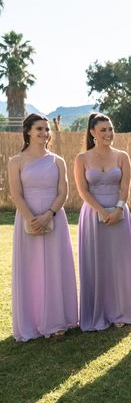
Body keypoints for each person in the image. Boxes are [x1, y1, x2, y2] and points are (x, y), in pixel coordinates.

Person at [8, 113, 78, 341]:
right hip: (27, 219)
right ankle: (33, 321)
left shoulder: (58, 160)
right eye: (39, 129)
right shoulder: (15, 161)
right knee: (32, 269)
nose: (45, 133)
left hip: (54, 217)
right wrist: (31, 218)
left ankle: (58, 320)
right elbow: (16, 194)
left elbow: (63, 192)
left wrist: (49, 214)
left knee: (55, 266)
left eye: (47, 130)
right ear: (28, 131)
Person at [74, 113, 131, 331]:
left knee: (120, 263)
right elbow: (82, 191)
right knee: (97, 263)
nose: (108, 134)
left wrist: (117, 209)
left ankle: (123, 311)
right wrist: (101, 212)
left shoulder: (122, 156)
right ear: (93, 132)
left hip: (119, 215)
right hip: (93, 217)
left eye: (111, 129)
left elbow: (126, 187)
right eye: (103, 130)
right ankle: (99, 311)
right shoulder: (82, 159)